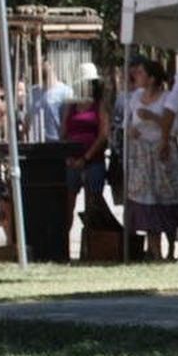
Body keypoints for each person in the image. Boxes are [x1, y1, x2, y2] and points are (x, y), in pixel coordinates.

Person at [123, 57, 178, 259]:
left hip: (162, 154)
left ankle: (172, 251)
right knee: (147, 204)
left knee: (167, 202)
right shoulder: (135, 97)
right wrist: (131, 131)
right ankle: (154, 252)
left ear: (152, 77)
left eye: (140, 73)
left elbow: (176, 127)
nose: (135, 76)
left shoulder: (167, 98)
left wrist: (153, 117)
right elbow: (128, 123)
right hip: (142, 156)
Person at [63, 67, 112, 248]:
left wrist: (87, 156)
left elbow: (103, 134)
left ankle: (92, 246)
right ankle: (64, 244)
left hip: (93, 161)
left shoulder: (99, 105)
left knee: (93, 204)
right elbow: (64, 131)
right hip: (71, 161)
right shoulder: (72, 105)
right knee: (68, 203)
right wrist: (68, 155)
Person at [27, 60, 72, 142]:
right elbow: (28, 119)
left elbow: (67, 121)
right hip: (35, 143)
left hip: (56, 142)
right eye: (37, 64)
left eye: (43, 63)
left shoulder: (66, 92)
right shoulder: (33, 92)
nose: (40, 66)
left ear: (52, 65)